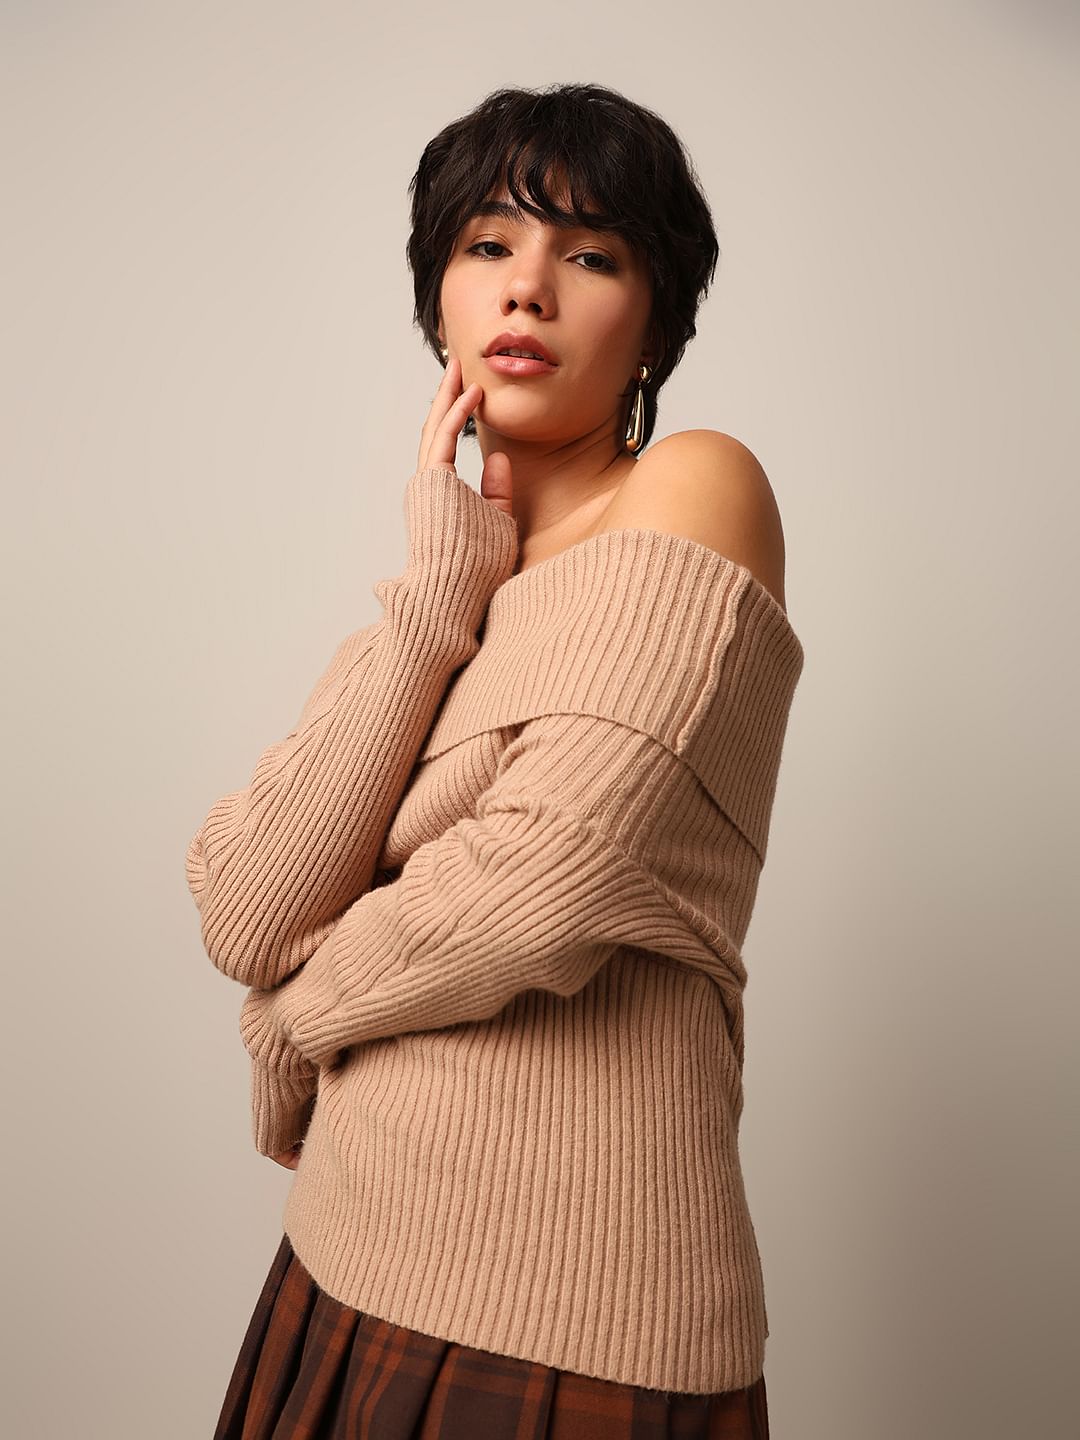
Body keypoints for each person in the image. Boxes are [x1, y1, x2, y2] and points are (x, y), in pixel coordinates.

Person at [188, 81, 802, 1438]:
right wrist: (433, 599)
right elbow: (245, 910)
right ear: (440, 308)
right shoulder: (446, 600)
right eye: (487, 246)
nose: (528, 287)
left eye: (592, 255)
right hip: (341, 1259)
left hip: (569, 1311)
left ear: (656, 326)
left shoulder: (696, 486)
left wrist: (297, 1021)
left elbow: (541, 878)